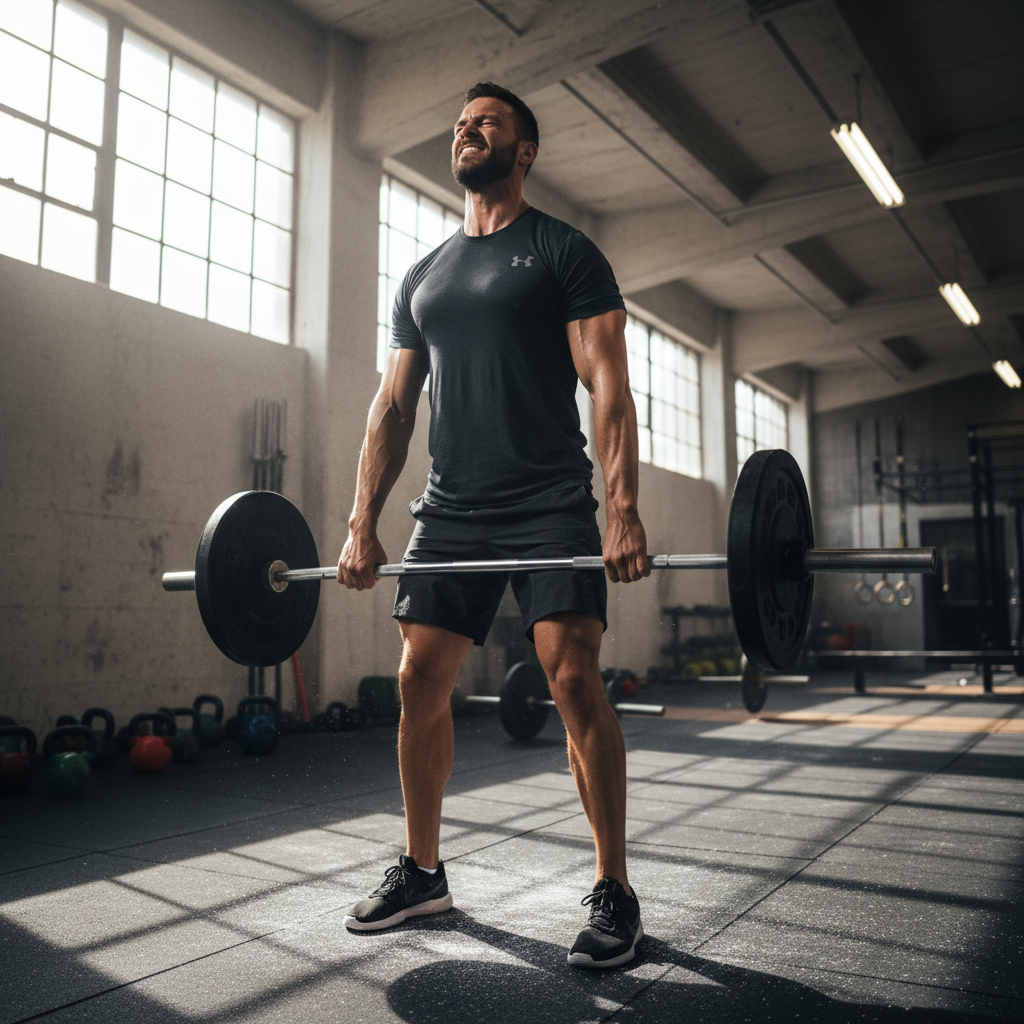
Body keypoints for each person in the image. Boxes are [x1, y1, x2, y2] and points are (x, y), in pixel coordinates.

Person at [337, 82, 650, 969]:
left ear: (525, 151)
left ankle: (615, 889)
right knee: (417, 678)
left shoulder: (564, 251)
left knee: (572, 675)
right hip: (454, 506)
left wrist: (620, 507)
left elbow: (610, 386)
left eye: (489, 122)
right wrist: (361, 521)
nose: (468, 130)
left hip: (549, 496)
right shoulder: (425, 275)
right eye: (460, 123)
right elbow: (393, 409)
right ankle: (424, 871)